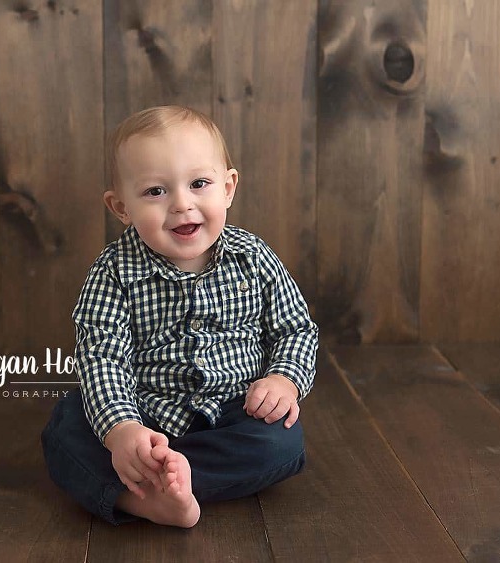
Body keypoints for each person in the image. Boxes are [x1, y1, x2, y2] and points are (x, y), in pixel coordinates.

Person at [41, 105, 319, 528]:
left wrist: (284, 379)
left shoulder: (253, 258)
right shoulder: (114, 273)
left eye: (199, 184)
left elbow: (294, 328)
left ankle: (162, 485)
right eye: (155, 191)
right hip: (145, 414)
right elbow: (102, 357)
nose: (181, 204)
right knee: (66, 427)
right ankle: (150, 493)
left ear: (227, 188)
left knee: (280, 440)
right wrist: (122, 431)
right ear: (121, 207)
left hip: (230, 411)